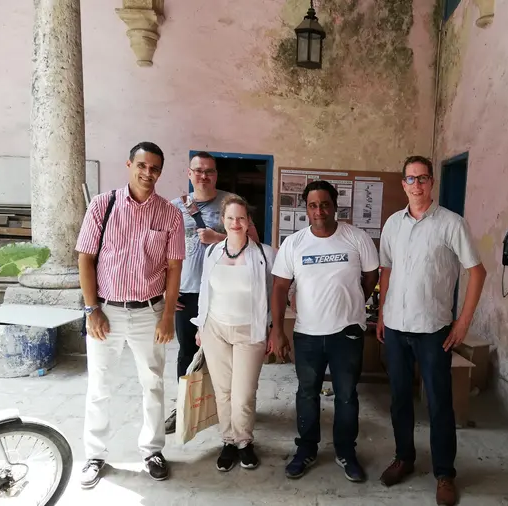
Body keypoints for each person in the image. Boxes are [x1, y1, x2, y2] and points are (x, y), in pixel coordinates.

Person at [376, 155, 486, 506]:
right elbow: (386, 271)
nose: (417, 185)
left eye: (423, 178)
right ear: (403, 184)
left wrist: (463, 322)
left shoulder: (451, 224)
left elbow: (477, 272)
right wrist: (381, 314)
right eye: (410, 179)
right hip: (394, 327)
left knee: (439, 404)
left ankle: (444, 474)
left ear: (432, 183)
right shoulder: (393, 224)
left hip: (433, 329)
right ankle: (404, 458)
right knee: (398, 400)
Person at [76, 141, 185, 488]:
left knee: (152, 385)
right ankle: (95, 454)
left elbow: (173, 268)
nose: (147, 173)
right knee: (99, 386)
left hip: (148, 313)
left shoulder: (170, 214)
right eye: (142, 165)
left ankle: (152, 450)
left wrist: (167, 315)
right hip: (106, 311)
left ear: (160, 172)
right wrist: (92, 309)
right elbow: (85, 259)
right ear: (129, 165)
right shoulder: (102, 205)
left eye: (154, 168)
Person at [269, 180, 379, 483]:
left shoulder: (356, 239)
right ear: (306, 209)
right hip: (307, 334)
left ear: (336, 205)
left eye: (325, 204)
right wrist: (277, 330)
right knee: (307, 393)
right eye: (313, 205)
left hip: (347, 333)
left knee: (346, 395)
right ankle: (306, 449)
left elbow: (371, 276)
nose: (319, 211)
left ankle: (346, 451)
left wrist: (354, 302)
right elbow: (280, 287)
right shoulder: (294, 244)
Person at [189, 195, 275, 471]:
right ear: (223, 222)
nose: (236, 223)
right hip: (215, 329)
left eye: (241, 218)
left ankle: (245, 441)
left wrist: (273, 329)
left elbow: (275, 295)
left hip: (250, 331)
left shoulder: (265, 254)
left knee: (244, 393)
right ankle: (229, 440)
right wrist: (201, 325)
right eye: (230, 218)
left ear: (249, 221)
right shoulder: (214, 252)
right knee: (223, 391)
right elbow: (205, 289)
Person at [164, 151, 230, 434]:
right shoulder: (173, 207)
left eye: (210, 171)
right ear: (189, 173)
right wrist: (165, 290)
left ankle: (224, 407)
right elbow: (158, 250)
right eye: (199, 171)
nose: (204, 176)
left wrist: (219, 238)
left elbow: (251, 241)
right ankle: (183, 406)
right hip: (186, 293)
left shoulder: (230, 202)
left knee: (222, 353)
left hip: (222, 293)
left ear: (216, 174)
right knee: (186, 351)